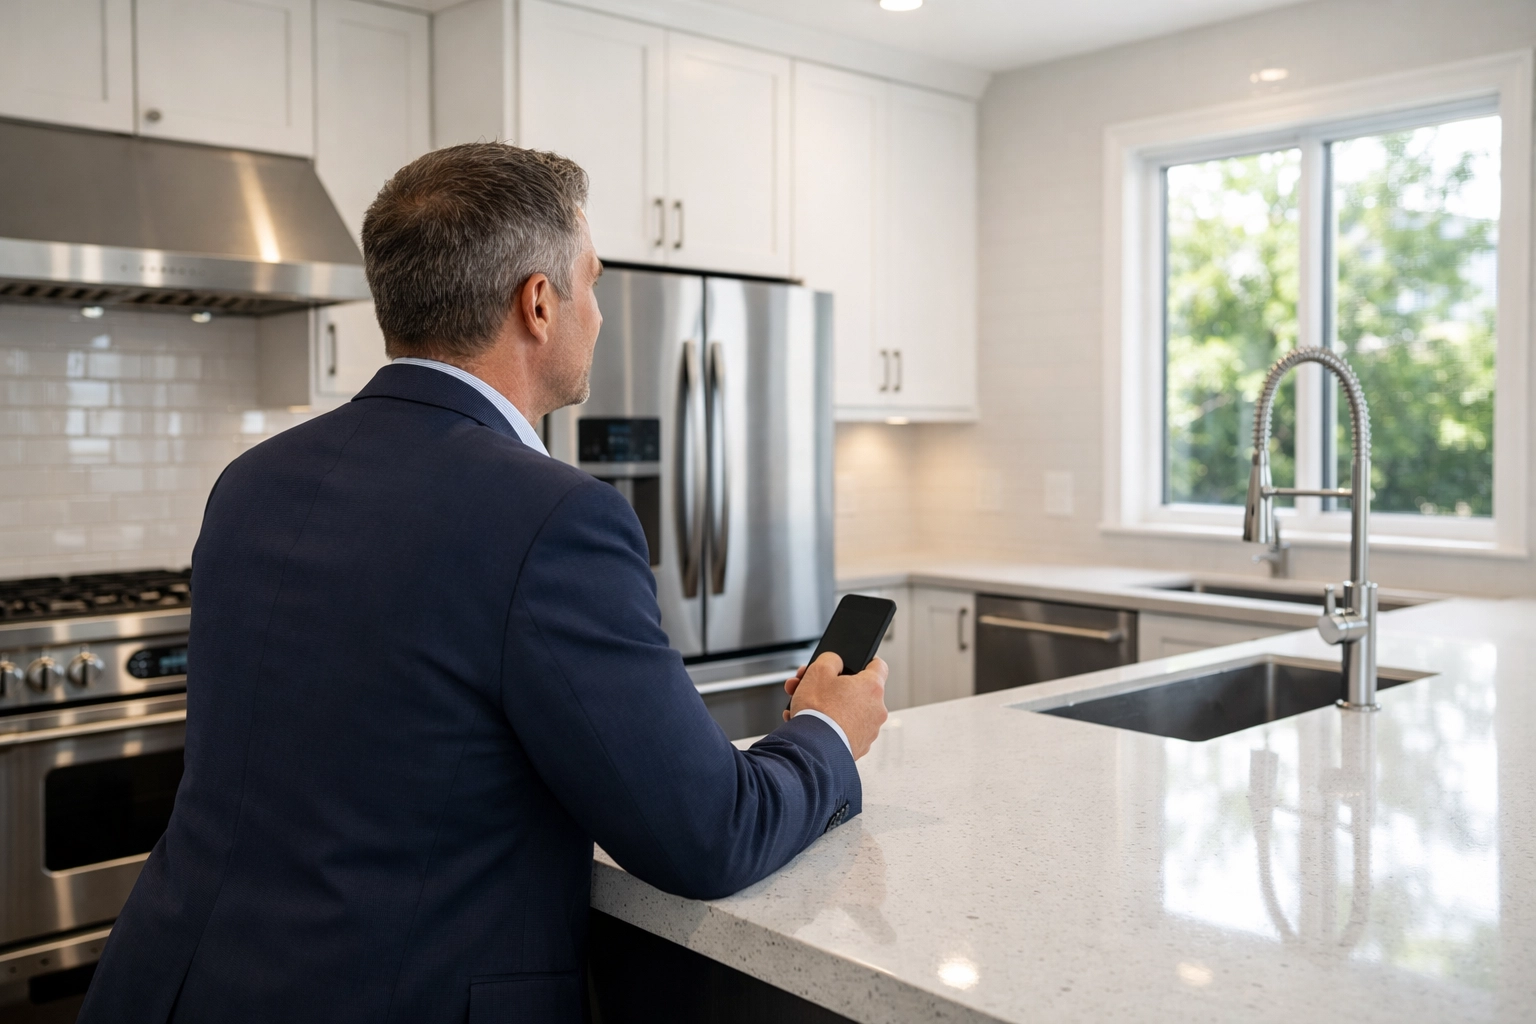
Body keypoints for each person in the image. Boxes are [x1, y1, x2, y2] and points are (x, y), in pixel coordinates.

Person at [78, 144, 888, 1024]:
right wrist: (826, 731)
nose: (602, 314)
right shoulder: (555, 516)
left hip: (173, 984)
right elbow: (708, 835)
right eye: (594, 281)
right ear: (539, 303)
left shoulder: (254, 480)